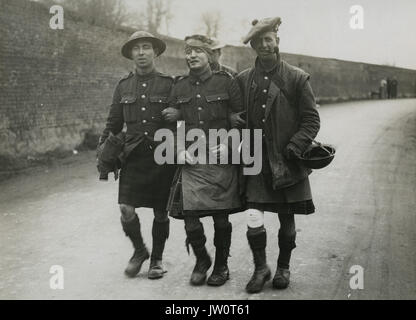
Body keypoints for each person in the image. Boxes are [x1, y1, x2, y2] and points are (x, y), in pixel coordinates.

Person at [232, 17, 321, 293]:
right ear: (254, 46)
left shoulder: (296, 77)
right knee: (253, 217)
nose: (264, 45)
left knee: (287, 219)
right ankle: (261, 268)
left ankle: (283, 266)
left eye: (268, 39)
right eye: (258, 41)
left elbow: (311, 120)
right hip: (255, 161)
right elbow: (236, 115)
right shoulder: (243, 79)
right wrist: (234, 118)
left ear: (278, 42)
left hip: (286, 161)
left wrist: (295, 146)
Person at [98, 30, 179, 280]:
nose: (142, 52)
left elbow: (183, 117)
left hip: (162, 155)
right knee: (126, 208)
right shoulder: (123, 86)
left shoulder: (169, 84)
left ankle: (157, 259)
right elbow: (113, 123)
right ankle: (140, 251)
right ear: (131, 54)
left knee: (160, 212)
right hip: (133, 155)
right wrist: (103, 153)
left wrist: (179, 115)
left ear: (155, 52)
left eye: (146, 47)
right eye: (137, 48)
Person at [167, 34, 244, 287]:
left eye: (197, 51)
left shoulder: (227, 82)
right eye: (188, 51)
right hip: (191, 158)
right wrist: (178, 149)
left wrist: (229, 145)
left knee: (221, 218)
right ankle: (202, 260)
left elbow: (241, 119)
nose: (191, 55)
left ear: (209, 55)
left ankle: (222, 265)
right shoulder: (179, 86)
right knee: (190, 218)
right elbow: (175, 124)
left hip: (220, 158)